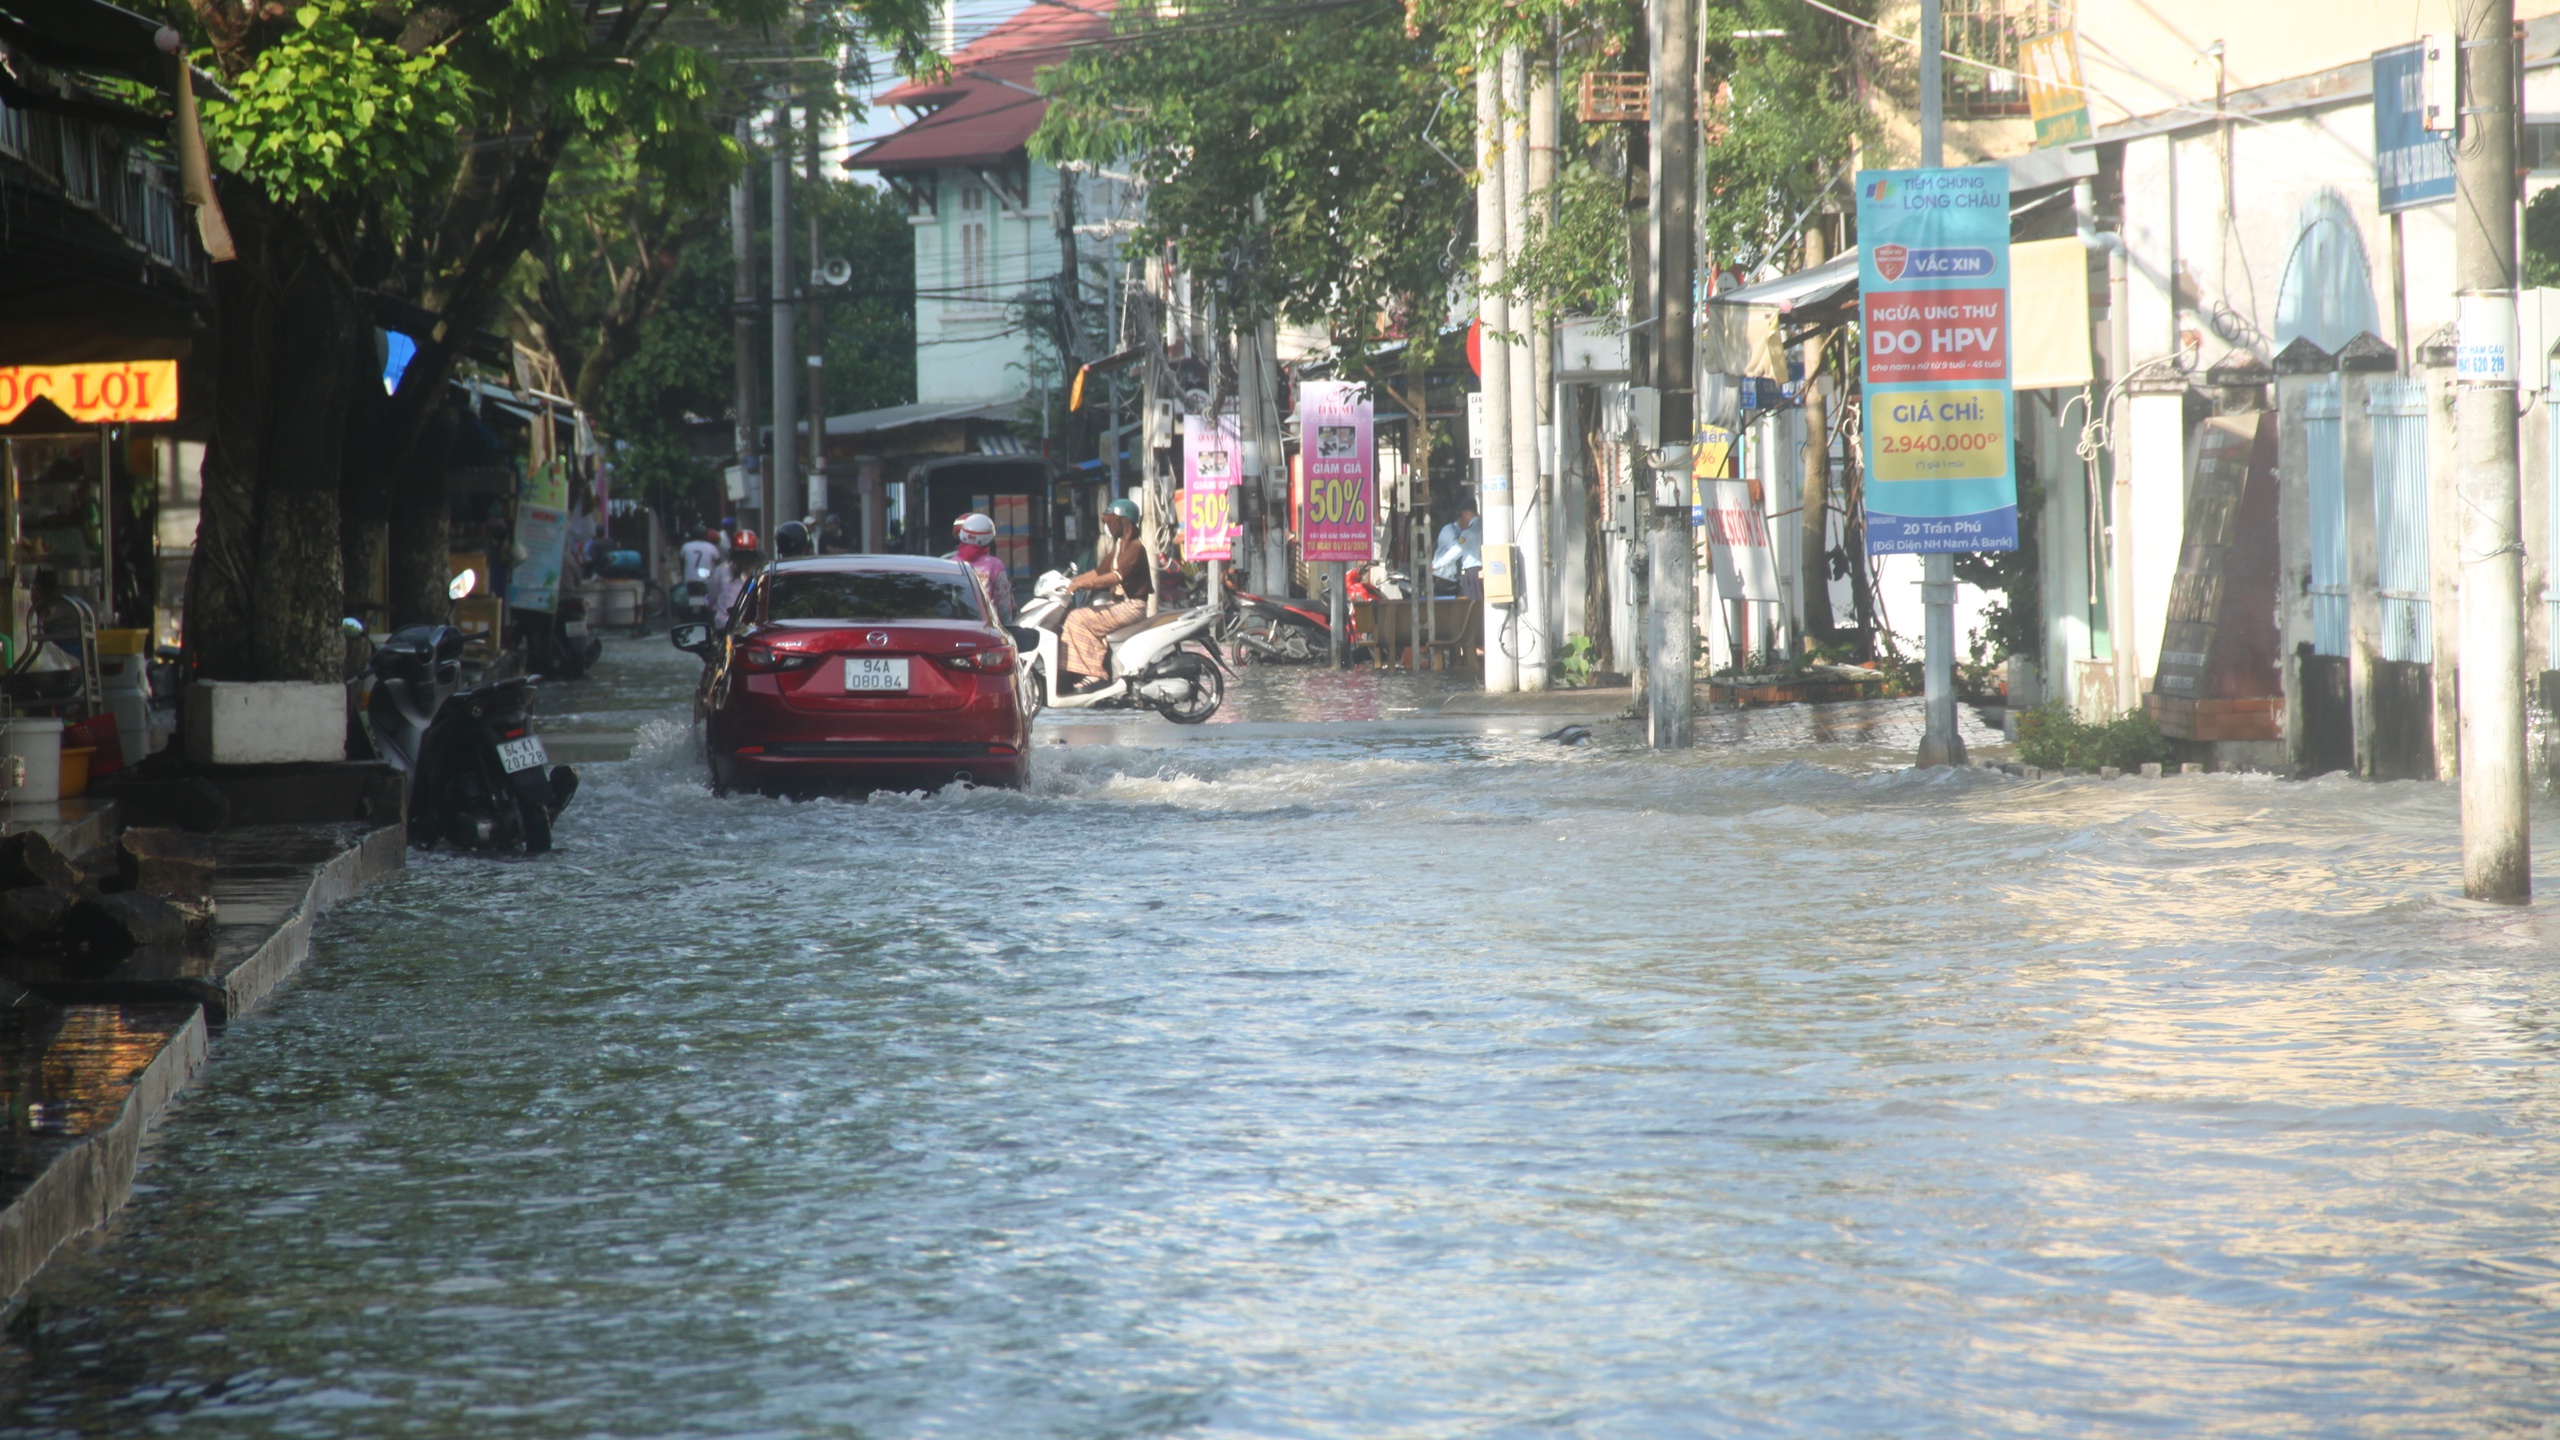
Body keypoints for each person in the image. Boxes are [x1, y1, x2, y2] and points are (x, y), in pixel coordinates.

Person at [1061, 498, 1150, 691]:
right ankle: (1084, 670)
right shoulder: (1118, 547)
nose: (1108, 527)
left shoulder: (1135, 547)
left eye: (1111, 522)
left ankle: (1095, 674)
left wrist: (1082, 585)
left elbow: (1115, 577)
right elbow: (1100, 571)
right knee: (1075, 617)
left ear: (1123, 522)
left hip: (1132, 607)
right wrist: (1072, 582)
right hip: (1118, 605)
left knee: (1077, 618)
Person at [947, 512, 1012, 623]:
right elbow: (1002, 601)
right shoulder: (995, 564)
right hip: (987, 625)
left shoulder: (950, 564)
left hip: (956, 625)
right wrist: (1007, 625)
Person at [1433, 503, 1483, 600]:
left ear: (1465, 513)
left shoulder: (1470, 531)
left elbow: (1457, 550)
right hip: (1480, 570)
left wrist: (1436, 565)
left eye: (1463, 517)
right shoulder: (1483, 524)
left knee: (1472, 605)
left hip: (1473, 572)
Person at [712, 531, 758, 629]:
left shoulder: (721, 569)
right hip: (753, 625)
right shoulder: (760, 571)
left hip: (724, 623)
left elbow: (712, 596)